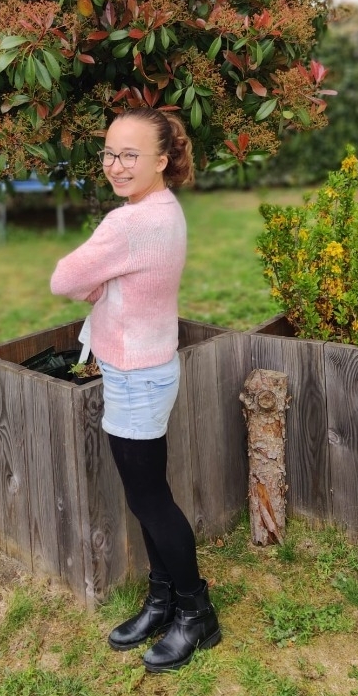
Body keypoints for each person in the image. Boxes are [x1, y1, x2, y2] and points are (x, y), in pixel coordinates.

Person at [50, 107, 220, 673]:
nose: (115, 165)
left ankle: (196, 613)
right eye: (109, 153)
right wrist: (106, 283)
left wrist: (98, 283)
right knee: (147, 496)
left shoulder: (129, 224)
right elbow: (113, 280)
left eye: (130, 155)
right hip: (146, 367)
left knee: (150, 500)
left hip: (138, 375)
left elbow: (64, 278)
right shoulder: (162, 209)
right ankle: (162, 599)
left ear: (162, 160)